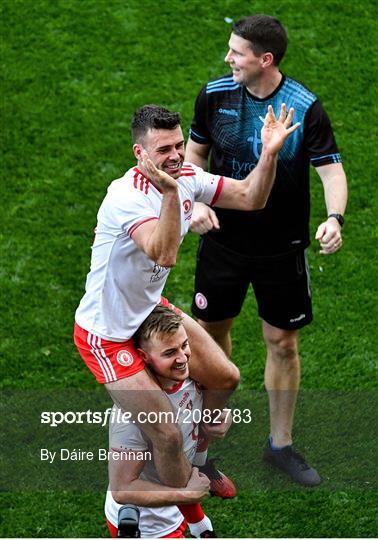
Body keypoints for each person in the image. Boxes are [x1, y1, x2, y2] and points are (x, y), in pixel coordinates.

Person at [74, 102, 299, 492]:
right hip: (106, 334)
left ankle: (199, 462)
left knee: (224, 377)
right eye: (164, 150)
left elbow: (251, 197)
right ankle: (186, 503)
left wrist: (269, 153)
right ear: (139, 154)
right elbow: (164, 253)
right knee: (167, 433)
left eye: (179, 145)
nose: (176, 156)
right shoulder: (125, 197)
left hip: (147, 312)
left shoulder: (188, 176)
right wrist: (170, 194)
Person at [186, 14, 348, 487]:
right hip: (222, 242)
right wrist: (194, 200)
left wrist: (334, 218)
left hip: (282, 247)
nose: (227, 57)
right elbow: (195, 155)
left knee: (282, 342)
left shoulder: (303, 107)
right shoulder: (215, 94)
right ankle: (205, 432)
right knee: (212, 333)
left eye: (236, 52)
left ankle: (280, 445)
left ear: (265, 59)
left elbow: (331, 171)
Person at [105, 304, 233, 538]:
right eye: (169, 353)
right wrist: (188, 495)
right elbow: (123, 489)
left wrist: (221, 416)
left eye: (184, 345)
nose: (182, 358)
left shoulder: (189, 376)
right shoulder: (132, 414)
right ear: (144, 356)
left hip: (175, 508)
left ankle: (203, 477)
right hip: (149, 525)